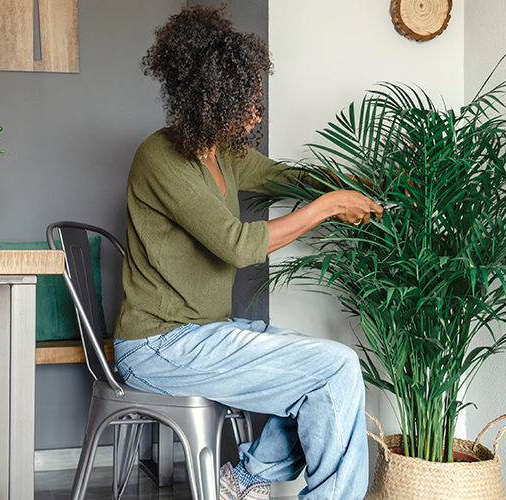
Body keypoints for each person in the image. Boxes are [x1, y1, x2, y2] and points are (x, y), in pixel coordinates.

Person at [113, 6, 382, 500]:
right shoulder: (160, 157)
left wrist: (354, 188)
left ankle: (245, 477)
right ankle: (261, 477)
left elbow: (287, 176)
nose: (256, 111)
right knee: (336, 367)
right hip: (158, 347)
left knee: (324, 375)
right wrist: (326, 208)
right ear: (209, 97)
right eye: (245, 99)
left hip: (207, 333)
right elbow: (236, 245)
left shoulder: (225, 154)